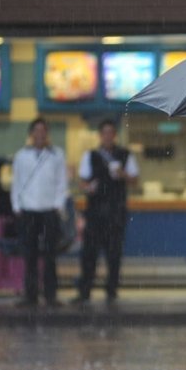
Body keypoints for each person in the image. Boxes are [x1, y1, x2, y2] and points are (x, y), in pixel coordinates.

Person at [71, 119, 139, 306]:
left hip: (116, 212)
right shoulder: (90, 156)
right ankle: (85, 291)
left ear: (114, 135)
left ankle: (111, 291)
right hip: (95, 212)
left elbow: (135, 180)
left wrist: (122, 175)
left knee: (114, 254)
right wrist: (89, 187)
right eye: (105, 133)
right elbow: (83, 182)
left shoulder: (125, 155)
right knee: (89, 254)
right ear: (100, 136)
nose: (108, 136)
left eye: (111, 133)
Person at [10, 117, 68, 308]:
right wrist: (16, 206)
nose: (40, 134)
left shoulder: (57, 155)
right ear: (31, 134)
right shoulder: (21, 156)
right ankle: (30, 295)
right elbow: (16, 183)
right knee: (30, 255)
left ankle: (51, 295)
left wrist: (59, 204)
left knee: (51, 255)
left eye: (43, 130)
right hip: (28, 211)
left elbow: (62, 182)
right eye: (36, 130)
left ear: (47, 133)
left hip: (50, 210)